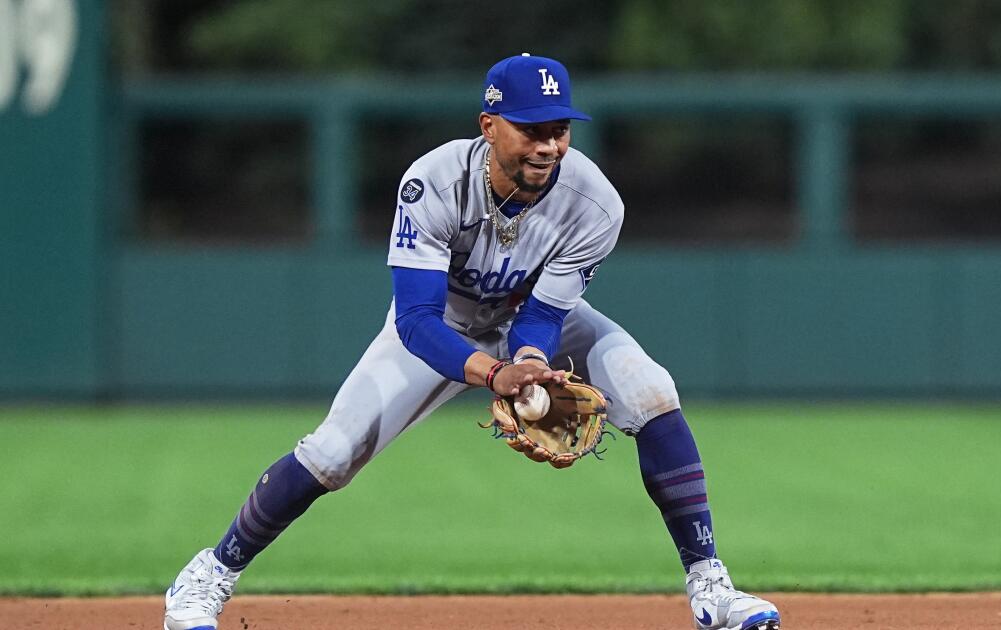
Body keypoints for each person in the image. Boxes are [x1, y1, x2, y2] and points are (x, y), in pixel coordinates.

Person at [163, 53, 781, 630]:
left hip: (525, 318)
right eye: (531, 128)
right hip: (444, 324)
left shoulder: (594, 204)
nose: (549, 144)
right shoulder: (432, 182)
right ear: (489, 126)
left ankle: (711, 587)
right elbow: (416, 321)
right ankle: (209, 574)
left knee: (652, 391)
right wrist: (494, 373)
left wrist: (533, 361)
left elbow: (543, 313)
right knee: (330, 455)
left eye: (559, 128)